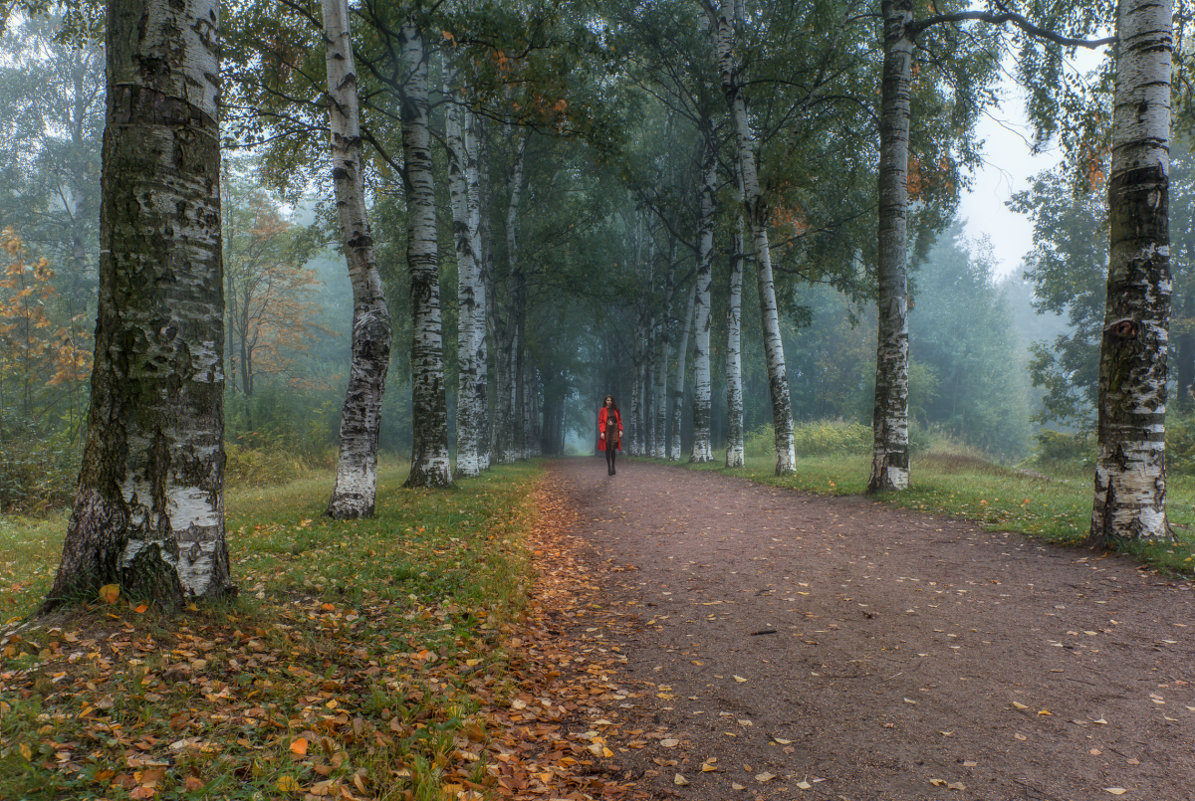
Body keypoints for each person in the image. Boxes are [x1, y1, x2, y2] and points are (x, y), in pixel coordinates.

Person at [598, 394, 623, 475]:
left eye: (610, 400)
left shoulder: (616, 410)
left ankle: (613, 466)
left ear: (612, 401)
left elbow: (619, 420)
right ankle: (609, 467)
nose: (609, 402)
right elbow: (601, 421)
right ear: (605, 401)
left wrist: (620, 430)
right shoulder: (602, 410)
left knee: (613, 449)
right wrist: (602, 432)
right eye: (608, 400)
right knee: (607, 449)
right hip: (607, 431)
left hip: (615, 431)